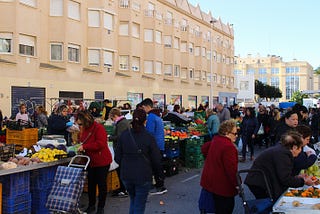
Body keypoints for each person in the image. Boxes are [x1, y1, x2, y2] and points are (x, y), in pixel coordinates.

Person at [244, 131, 316, 201]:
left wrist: (297, 177)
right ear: (294, 147)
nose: (300, 151)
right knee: (266, 204)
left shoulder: (282, 150)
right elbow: (285, 179)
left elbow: (282, 173)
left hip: (260, 180)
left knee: (268, 203)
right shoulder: (282, 154)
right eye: (300, 148)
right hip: (260, 183)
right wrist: (303, 181)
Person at [115, 109, 162, 214]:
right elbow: (156, 160)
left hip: (126, 174)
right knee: (139, 204)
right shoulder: (149, 137)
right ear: (145, 121)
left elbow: (117, 157)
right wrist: (159, 177)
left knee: (134, 200)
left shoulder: (124, 135)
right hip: (143, 175)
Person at [77, 110, 112, 214]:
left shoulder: (98, 128)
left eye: (80, 121)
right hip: (90, 161)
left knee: (101, 185)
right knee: (91, 185)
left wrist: (85, 146)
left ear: (85, 120)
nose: (79, 123)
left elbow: (101, 144)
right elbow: (83, 139)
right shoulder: (84, 128)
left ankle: (101, 208)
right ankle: (91, 206)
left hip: (102, 161)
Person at [200, 120, 239, 214]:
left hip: (210, 182)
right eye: (235, 133)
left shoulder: (216, 140)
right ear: (227, 133)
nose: (237, 135)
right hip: (222, 187)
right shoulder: (229, 147)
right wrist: (237, 184)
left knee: (213, 209)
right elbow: (231, 170)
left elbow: (204, 148)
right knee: (225, 209)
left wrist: (212, 159)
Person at [140, 98, 167, 195]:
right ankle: (159, 184)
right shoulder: (157, 115)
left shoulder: (151, 117)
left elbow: (149, 132)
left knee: (155, 166)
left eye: (143, 107)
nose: (143, 110)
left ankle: (160, 186)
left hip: (154, 145)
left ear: (147, 106)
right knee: (157, 165)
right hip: (159, 144)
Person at [108, 107, 130, 197]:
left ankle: (123, 189)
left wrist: (109, 137)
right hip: (123, 149)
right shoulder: (123, 122)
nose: (112, 120)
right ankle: (122, 188)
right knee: (121, 169)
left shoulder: (121, 123)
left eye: (112, 118)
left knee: (120, 169)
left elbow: (120, 136)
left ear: (115, 116)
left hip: (122, 149)